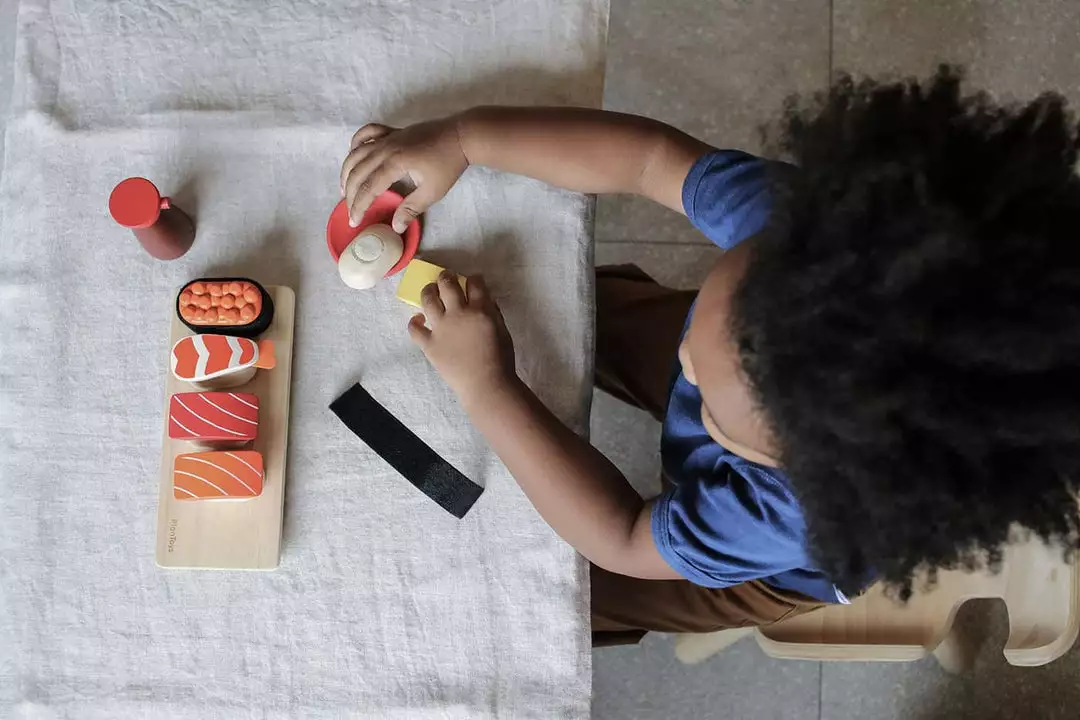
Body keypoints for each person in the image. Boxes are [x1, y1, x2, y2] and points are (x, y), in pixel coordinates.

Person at [339, 66, 1080, 645]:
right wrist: (465, 137)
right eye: (721, 289)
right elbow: (651, 161)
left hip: (755, 560)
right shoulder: (809, 237)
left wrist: (490, 389)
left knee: (552, 587)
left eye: (706, 387)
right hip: (773, 397)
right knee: (578, 314)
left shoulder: (783, 513)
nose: (686, 361)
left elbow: (623, 536)